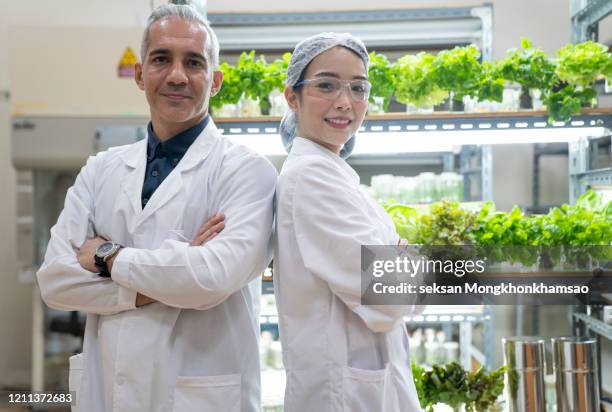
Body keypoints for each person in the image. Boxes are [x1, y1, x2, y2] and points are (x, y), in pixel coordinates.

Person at [36, 4, 276, 412]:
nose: (177, 75)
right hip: (108, 391)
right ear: (140, 74)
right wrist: (166, 282)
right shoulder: (101, 170)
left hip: (201, 395)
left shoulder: (248, 172)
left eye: (194, 62)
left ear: (215, 81)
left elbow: (212, 277)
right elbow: (55, 281)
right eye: (162, 59)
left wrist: (107, 256)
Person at [274, 33, 423, 411]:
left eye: (358, 88)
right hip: (340, 396)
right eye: (326, 85)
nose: (345, 102)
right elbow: (390, 299)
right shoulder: (310, 178)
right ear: (292, 96)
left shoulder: (334, 173)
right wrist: (409, 263)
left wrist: (403, 266)